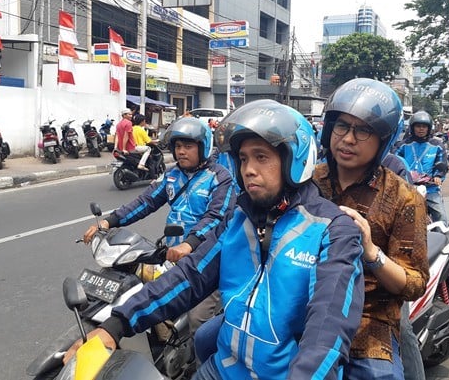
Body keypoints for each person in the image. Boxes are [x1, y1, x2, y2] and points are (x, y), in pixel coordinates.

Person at [67, 99, 365, 379]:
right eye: (244, 158)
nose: (249, 169)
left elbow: (327, 331)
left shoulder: (333, 231)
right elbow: (189, 276)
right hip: (223, 368)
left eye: (262, 157)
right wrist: (116, 324)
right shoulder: (238, 220)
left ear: (294, 159)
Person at [313, 78, 429, 380]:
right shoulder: (308, 182)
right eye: (342, 126)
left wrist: (371, 253)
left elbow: (415, 284)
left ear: (383, 139)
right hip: (305, 305)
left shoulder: (405, 198)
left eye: (363, 130)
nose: (348, 139)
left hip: (369, 317)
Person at [83, 116, 237, 333]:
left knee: (197, 320)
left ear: (203, 147)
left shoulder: (220, 178)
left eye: (188, 146)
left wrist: (190, 244)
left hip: (203, 260)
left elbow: (216, 217)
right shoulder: (172, 175)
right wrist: (109, 221)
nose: (181, 151)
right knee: (135, 290)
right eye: (178, 146)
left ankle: (200, 362)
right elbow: (146, 201)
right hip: (171, 254)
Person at [396, 110, 449, 225]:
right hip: (407, 187)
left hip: (430, 189)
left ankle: (444, 239)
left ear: (429, 128)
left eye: (424, 126)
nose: (421, 129)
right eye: (418, 126)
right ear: (412, 128)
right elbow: (396, 161)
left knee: (441, 217)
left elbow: (442, 163)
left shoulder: (437, 145)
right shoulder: (403, 145)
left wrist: (438, 176)